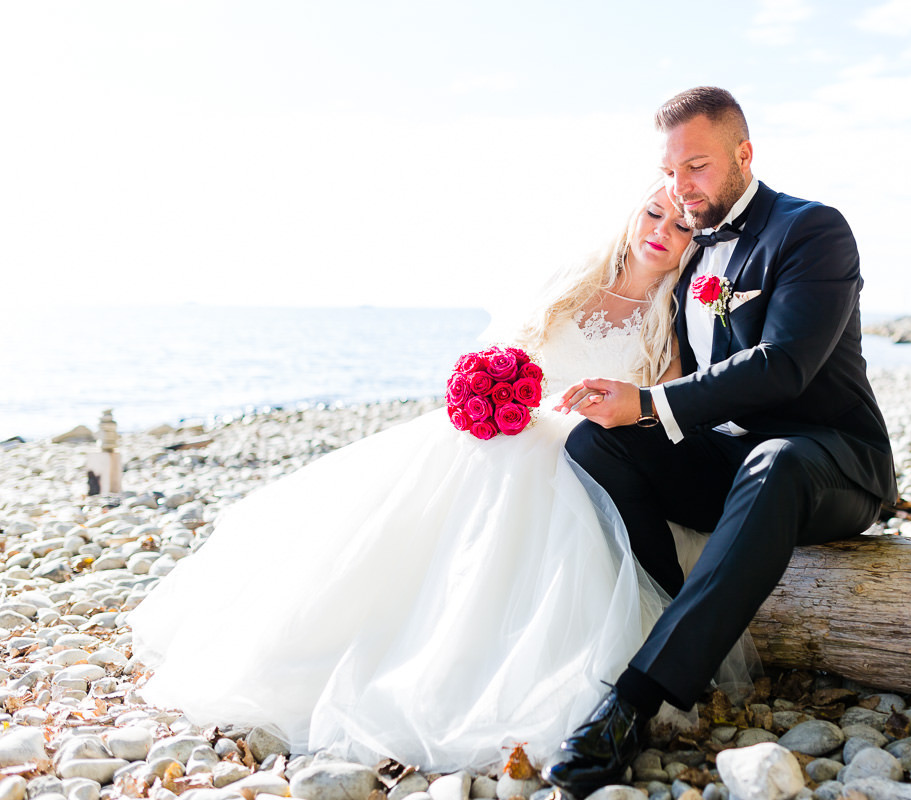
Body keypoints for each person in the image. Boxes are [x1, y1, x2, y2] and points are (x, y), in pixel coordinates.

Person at [128, 183, 696, 772]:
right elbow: (516, 348)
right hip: (509, 428)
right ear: (633, 215)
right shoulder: (574, 283)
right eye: (653, 214)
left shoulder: (669, 318)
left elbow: (665, 406)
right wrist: (491, 387)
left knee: (530, 504)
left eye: (679, 226)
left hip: (583, 448)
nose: (661, 231)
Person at [544, 86, 898, 796]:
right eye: (670, 172)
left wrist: (648, 402)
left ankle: (634, 701)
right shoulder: (692, 260)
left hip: (831, 461)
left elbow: (785, 366)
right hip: (737, 461)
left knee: (776, 461)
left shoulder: (812, 230)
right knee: (594, 445)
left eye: (697, 167)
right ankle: (676, 612)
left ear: (744, 154)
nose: (681, 188)